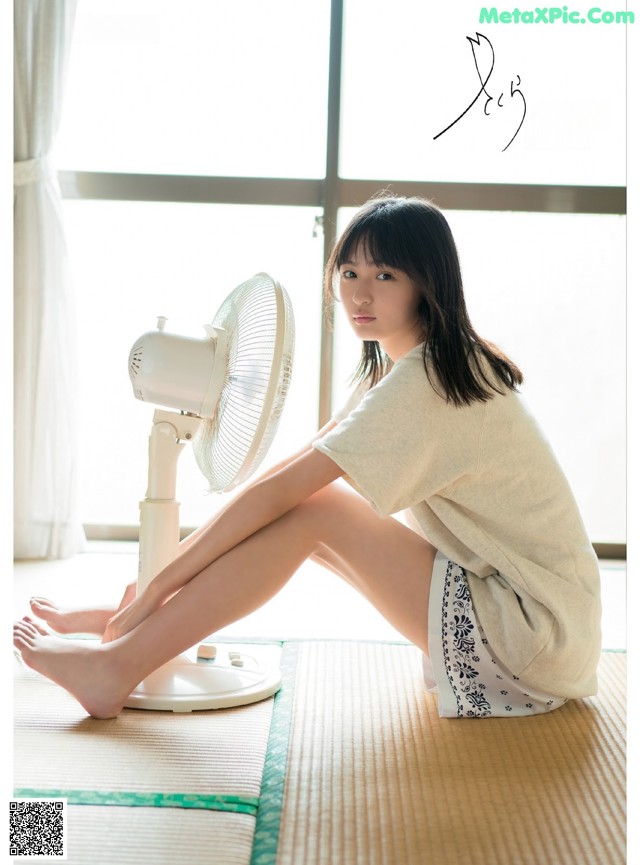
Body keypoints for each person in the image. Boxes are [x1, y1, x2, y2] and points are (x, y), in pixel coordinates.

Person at [14, 194, 601, 720]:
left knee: (317, 510)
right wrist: (148, 586)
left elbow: (287, 493)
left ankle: (119, 662)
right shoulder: (409, 367)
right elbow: (287, 472)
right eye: (348, 272)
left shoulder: (429, 381)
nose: (359, 294)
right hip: (535, 622)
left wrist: (156, 588)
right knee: (309, 511)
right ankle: (136, 636)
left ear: (429, 282)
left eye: (386, 274)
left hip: (533, 632)